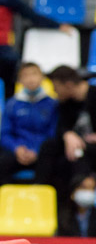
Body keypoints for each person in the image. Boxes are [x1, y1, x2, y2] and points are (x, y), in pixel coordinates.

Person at [36, 65, 96, 201]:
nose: (54, 92)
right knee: (49, 147)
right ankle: (40, 192)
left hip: (89, 148)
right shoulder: (66, 102)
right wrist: (67, 134)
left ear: (68, 85)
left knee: (79, 154)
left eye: (56, 87)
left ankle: (83, 193)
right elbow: (61, 127)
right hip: (75, 147)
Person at [0, 62, 58, 190]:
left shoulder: (53, 104)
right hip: (18, 151)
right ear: (20, 80)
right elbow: (5, 133)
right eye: (26, 75)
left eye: (34, 74)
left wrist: (37, 150)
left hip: (42, 152)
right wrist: (17, 148)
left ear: (42, 77)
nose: (31, 79)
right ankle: (6, 198)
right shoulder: (11, 104)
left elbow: (53, 133)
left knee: (54, 161)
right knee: (1, 162)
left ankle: (43, 197)